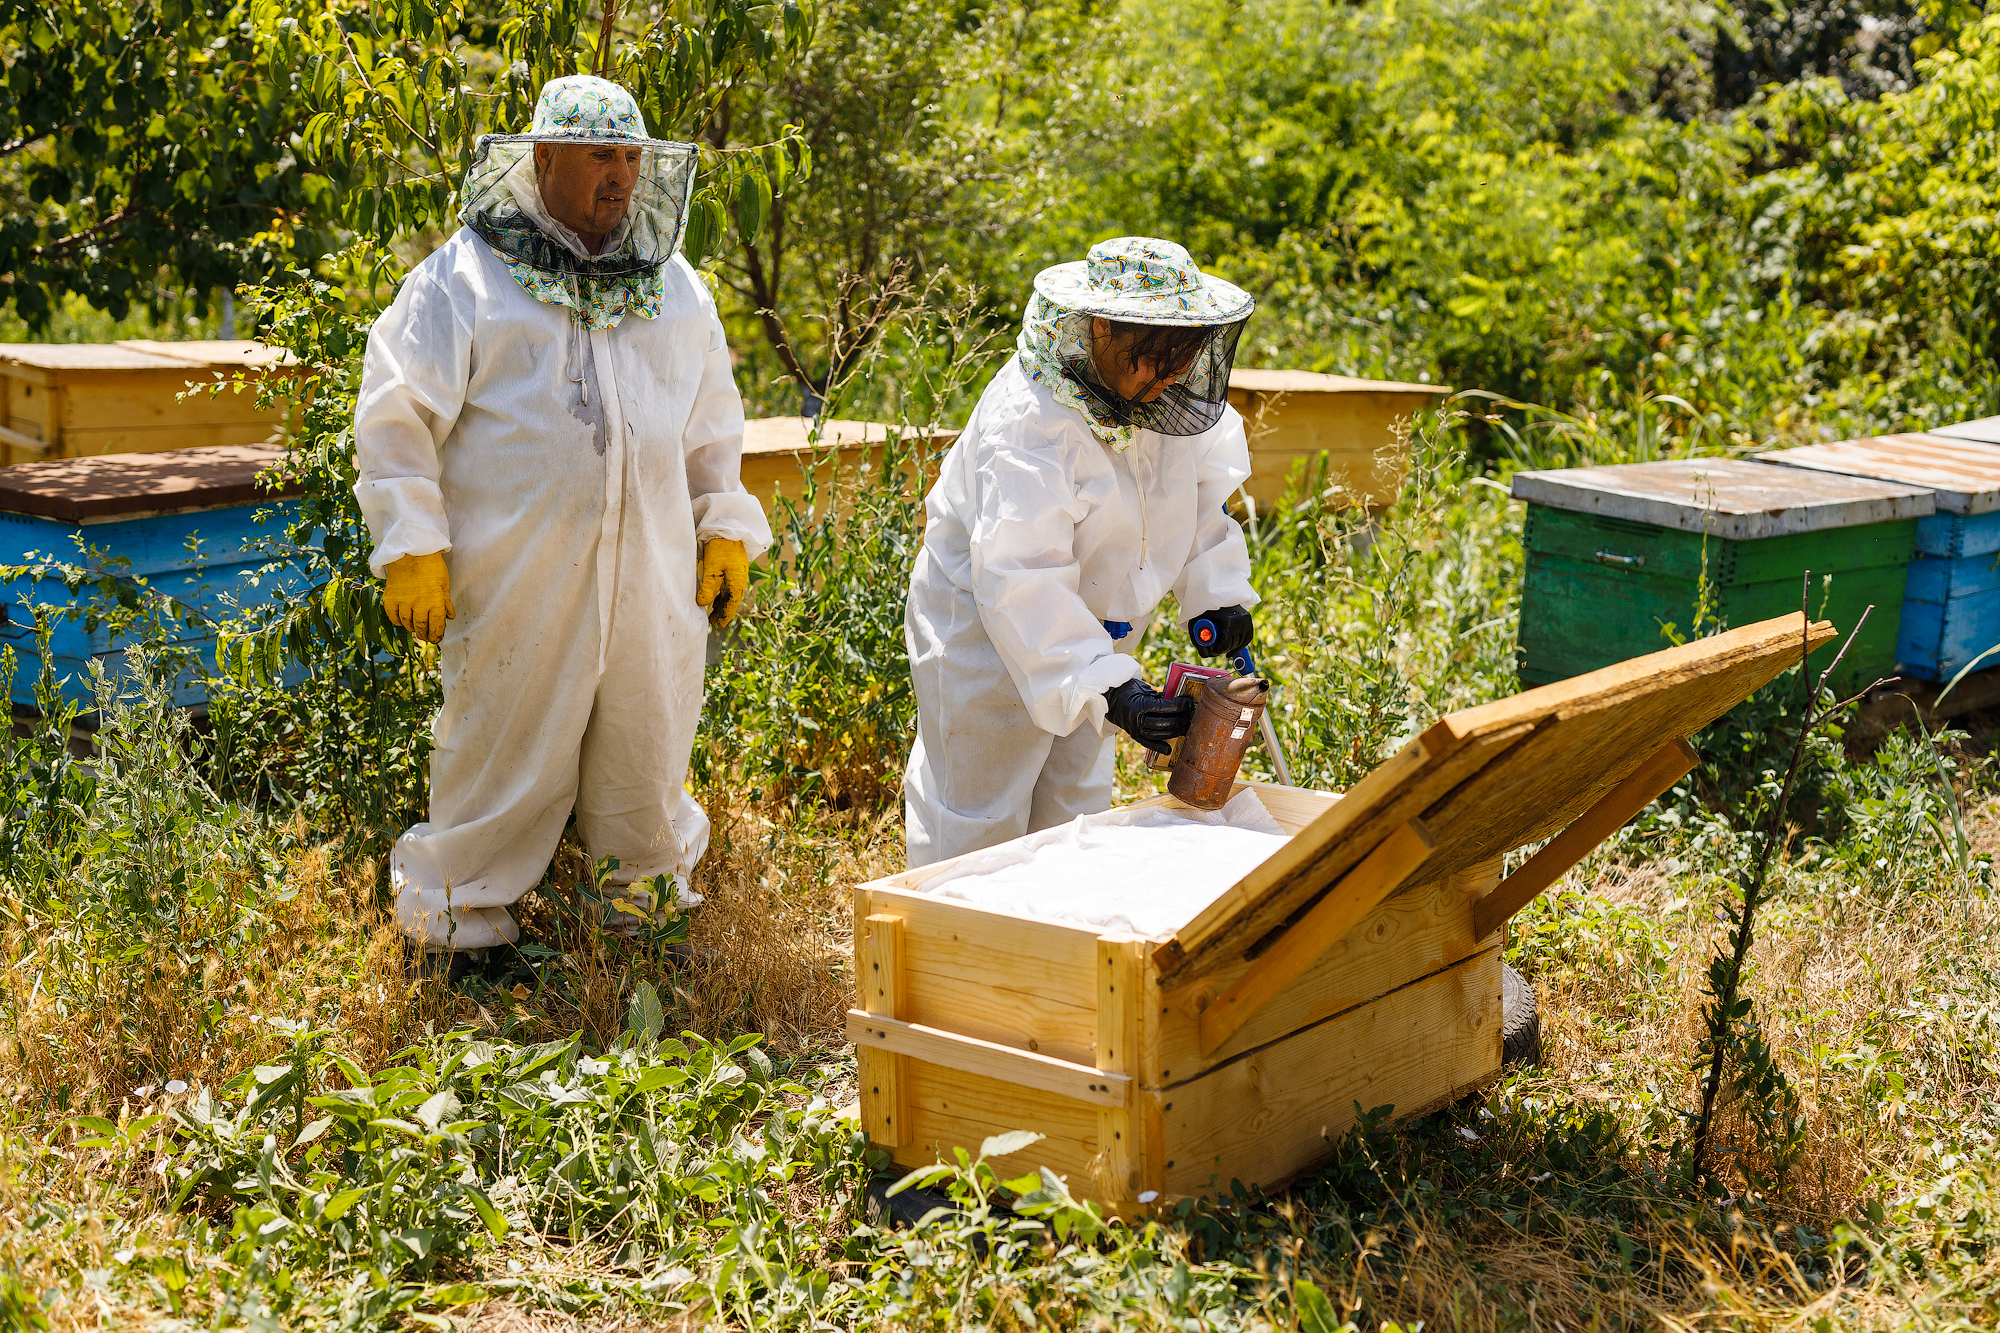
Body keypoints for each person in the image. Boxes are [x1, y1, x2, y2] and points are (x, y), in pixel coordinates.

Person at [352, 75, 771, 960]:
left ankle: (643, 910)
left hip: (654, 576)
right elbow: (395, 415)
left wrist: (723, 522)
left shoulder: (675, 285)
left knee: (649, 748)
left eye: (630, 157)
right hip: (517, 579)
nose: (620, 176)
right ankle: (461, 929)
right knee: (499, 749)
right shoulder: (463, 280)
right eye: (598, 156)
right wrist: (411, 544)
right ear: (543, 159)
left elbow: (710, 421)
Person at [903, 237, 1260, 868]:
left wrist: (1218, 591)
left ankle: (1054, 964)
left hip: (1095, 637)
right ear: (1100, 327)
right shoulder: (1029, 423)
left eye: (1182, 360)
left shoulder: (1158, 396)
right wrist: (1110, 687)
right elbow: (1021, 576)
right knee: (981, 820)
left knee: (1076, 814)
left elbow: (1200, 497)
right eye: (1154, 359)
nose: (1170, 378)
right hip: (986, 634)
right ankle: (958, 961)